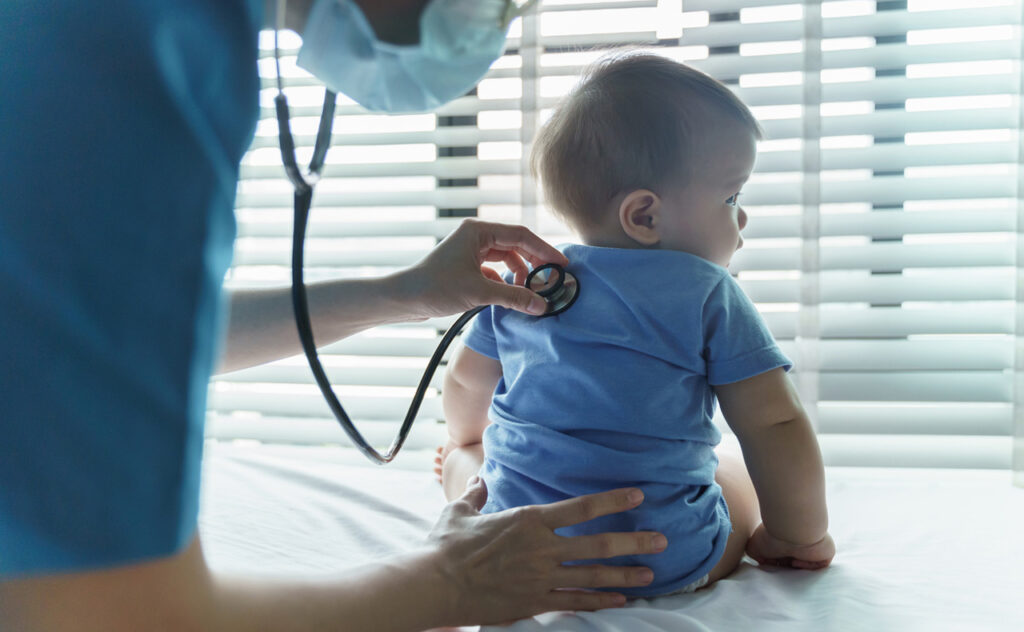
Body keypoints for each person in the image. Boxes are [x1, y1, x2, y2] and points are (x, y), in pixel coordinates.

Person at [0, 1, 669, 630]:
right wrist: (450, 580)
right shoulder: (136, 42)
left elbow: (96, 331)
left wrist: (401, 293)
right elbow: (123, 616)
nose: (495, 21)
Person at [436, 53, 836, 598]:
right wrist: (799, 535)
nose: (741, 218)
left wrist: (466, 440)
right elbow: (776, 424)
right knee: (730, 472)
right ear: (644, 216)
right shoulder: (708, 294)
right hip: (659, 560)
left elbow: (464, 382)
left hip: (517, 551)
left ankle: (458, 467)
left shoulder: (527, 282)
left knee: (470, 467)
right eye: (732, 197)